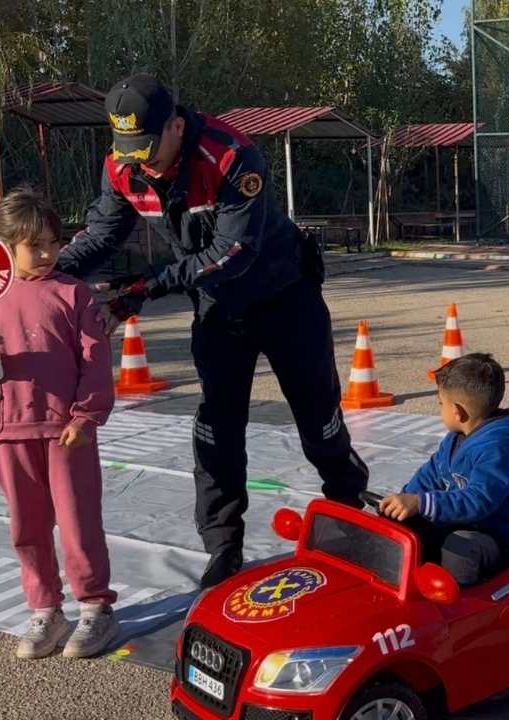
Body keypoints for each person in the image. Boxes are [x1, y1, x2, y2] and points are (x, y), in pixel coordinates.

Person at [54, 75, 369, 589]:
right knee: (218, 428)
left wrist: (143, 291)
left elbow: (230, 255)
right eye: (128, 150)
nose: (140, 162)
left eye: (148, 148)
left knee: (318, 416)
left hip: (284, 296)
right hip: (218, 310)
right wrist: (47, 277)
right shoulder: (123, 166)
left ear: (177, 125)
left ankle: (348, 510)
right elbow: (102, 234)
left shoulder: (232, 156)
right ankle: (223, 544)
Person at [0, 188, 119, 659]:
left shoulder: (73, 293)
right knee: (26, 526)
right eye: (34, 245)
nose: (47, 254)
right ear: (3, 246)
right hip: (7, 429)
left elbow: (94, 359)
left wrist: (87, 415)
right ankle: (46, 608)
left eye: (52, 242)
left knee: (78, 522)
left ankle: (95, 608)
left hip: (66, 431)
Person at [378, 354, 509, 586]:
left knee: (459, 549)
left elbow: (478, 501)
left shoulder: (500, 449)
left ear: (458, 412)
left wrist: (422, 503)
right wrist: (406, 502)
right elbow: (431, 473)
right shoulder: (456, 437)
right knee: (400, 528)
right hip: (465, 521)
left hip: (500, 535)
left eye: (441, 404)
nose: (439, 408)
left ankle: (456, 611)